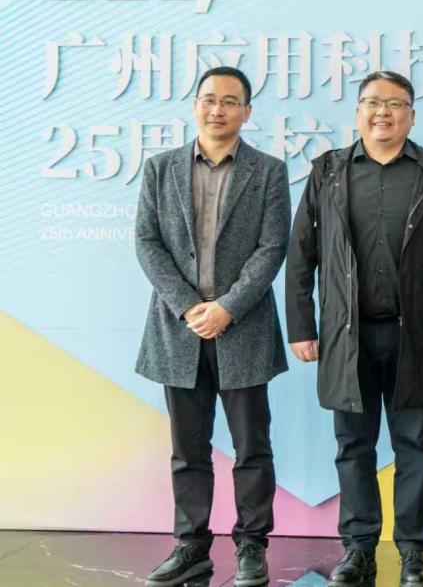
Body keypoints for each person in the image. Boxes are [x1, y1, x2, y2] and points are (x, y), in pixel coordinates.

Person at [286, 69, 423, 587]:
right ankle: (359, 548)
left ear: (412, 115)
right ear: (358, 111)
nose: (383, 112)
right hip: (346, 336)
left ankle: (413, 551)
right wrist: (302, 326)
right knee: (353, 447)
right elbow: (301, 254)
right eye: (372, 102)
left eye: (395, 103)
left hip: (414, 336)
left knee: (415, 448)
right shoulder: (328, 171)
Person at [135, 66, 290, 587]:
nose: (217, 109)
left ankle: (252, 545)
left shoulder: (268, 172)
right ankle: (191, 547)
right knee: (188, 449)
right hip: (177, 329)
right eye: (208, 99)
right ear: (195, 105)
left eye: (229, 101)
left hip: (242, 327)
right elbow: (147, 243)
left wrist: (227, 307)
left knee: (252, 448)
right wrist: (187, 306)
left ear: (246, 111)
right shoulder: (160, 169)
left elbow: (272, 247)